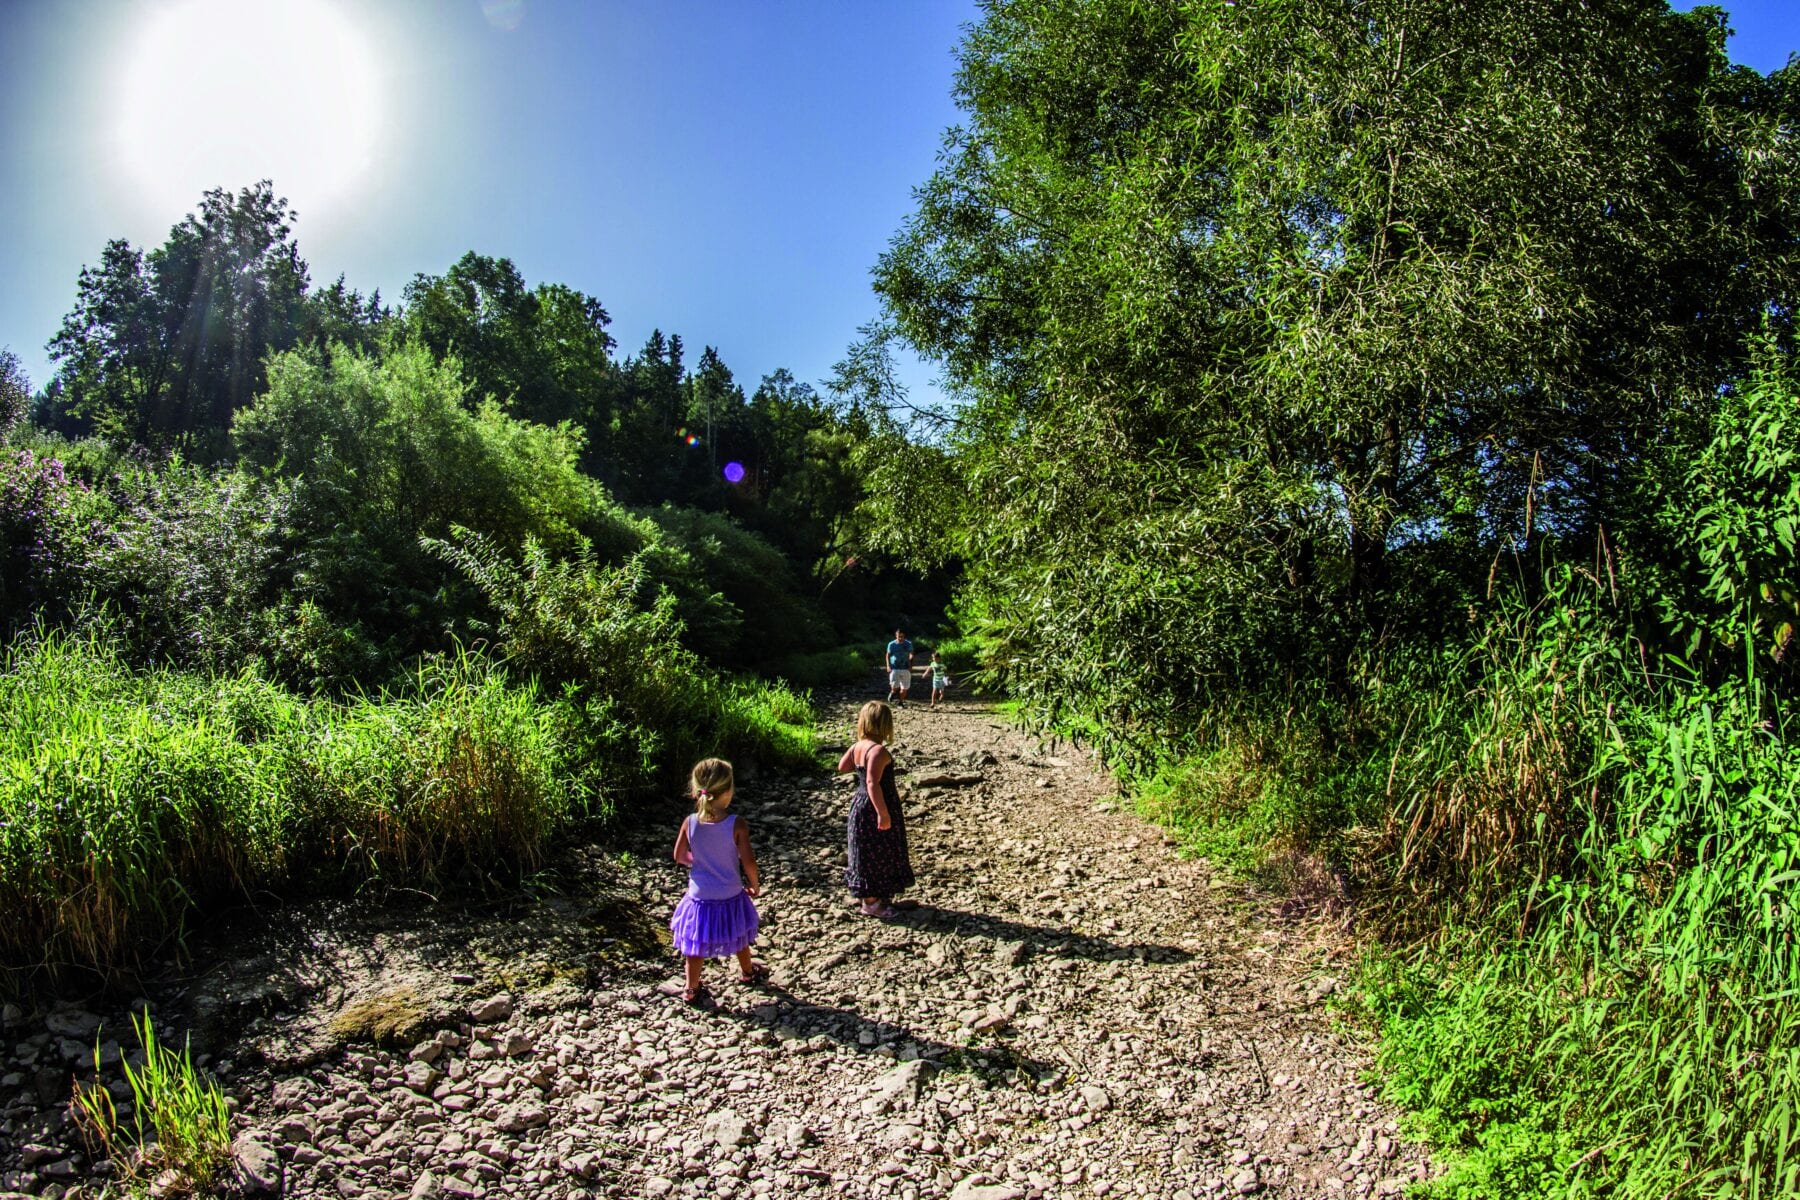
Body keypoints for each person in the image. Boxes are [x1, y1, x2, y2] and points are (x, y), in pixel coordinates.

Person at [669, 757, 764, 1002]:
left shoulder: (690, 823)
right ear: (729, 790)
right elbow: (748, 862)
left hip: (699, 896)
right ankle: (748, 972)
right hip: (730, 892)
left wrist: (699, 862)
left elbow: (679, 856)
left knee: (695, 943)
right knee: (739, 932)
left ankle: (691, 988)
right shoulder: (736, 824)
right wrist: (754, 885)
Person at [836, 700, 915, 917]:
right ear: (886, 725)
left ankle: (872, 895)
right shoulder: (878, 751)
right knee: (877, 850)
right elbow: (873, 782)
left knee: (864, 850)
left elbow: (843, 767)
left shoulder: (858, 747)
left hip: (859, 804)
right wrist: (883, 812)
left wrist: (856, 755)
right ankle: (872, 903)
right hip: (875, 805)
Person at [883, 628, 915, 706]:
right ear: (896, 636)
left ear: (904, 636)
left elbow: (911, 653)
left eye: (902, 636)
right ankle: (893, 692)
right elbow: (888, 655)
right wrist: (887, 665)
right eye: (899, 636)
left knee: (904, 688)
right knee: (895, 687)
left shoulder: (908, 644)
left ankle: (900, 702)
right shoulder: (891, 644)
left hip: (905, 668)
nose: (900, 638)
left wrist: (911, 663)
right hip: (894, 668)